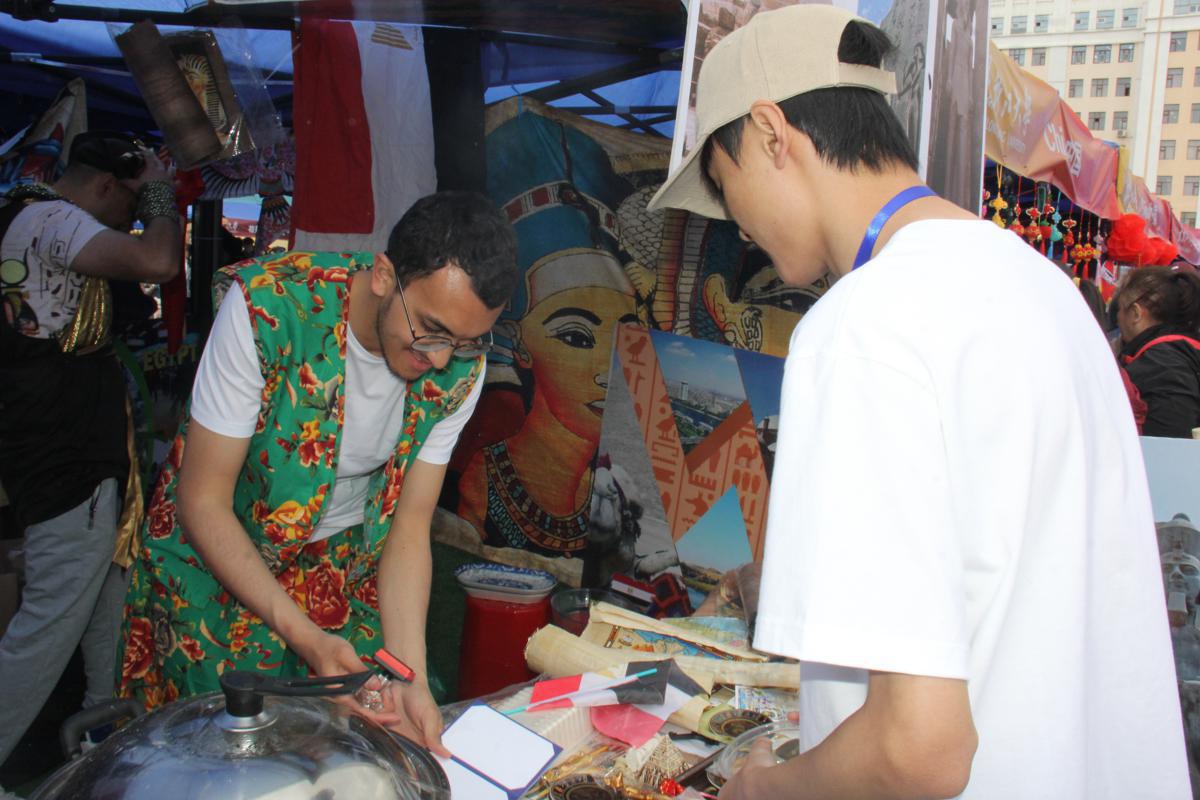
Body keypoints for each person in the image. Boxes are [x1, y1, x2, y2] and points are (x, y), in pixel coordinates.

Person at [649, 6, 1189, 798]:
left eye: (727, 189)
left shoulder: (864, 323)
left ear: (770, 134)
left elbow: (918, 752)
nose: (738, 224)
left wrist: (763, 790)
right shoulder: (1045, 288)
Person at [115, 191, 517, 756]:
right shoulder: (270, 308)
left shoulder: (459, 365)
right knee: (224, 753)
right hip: (221, 555)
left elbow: (408, 528)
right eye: (432, 329)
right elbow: (203, 501)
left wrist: (411, 675)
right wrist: (307, 638)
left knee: (358, 741)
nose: (442, 359)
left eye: (466, 341)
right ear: (384, 276)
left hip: (341, 563)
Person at [0, 131, 181, 766]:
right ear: (106, 185)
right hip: (65, 450)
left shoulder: (22, 211)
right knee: (49, 623)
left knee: (109, 593)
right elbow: (159, 261)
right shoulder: (54, 219)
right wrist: (161, 196)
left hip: (63, 444)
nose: (128, 222)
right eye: (129, 205)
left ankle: (107, 732)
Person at [1115, 266, 1200, 438]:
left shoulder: (1161, 365)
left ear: (1136, 313)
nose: (1118, 317)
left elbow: (1168, 443)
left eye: (1120, 309)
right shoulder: (1185, 352)